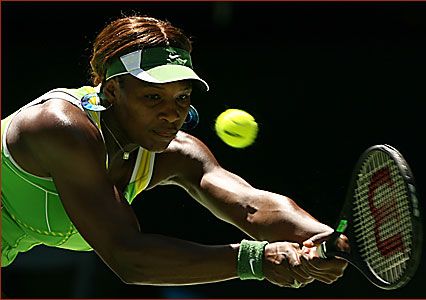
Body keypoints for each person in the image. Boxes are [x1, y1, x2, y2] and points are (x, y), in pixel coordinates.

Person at [1, 15, 347, 290]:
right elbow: (128, 258)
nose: (172, 114)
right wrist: (256, 260)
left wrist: (323, 237)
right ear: (111, 90)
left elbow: (251, 205)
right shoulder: (58, 127)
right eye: (153, 97)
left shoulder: (174, 151)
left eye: (182, 97)